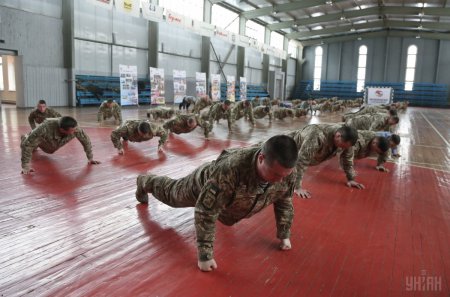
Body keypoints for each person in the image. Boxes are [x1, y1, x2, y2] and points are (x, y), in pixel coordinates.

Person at [135, 135, 299, 272]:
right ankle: (145, 180)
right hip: (203, 183)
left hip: (230, 198)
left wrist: (284, 233)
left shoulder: (286, 172)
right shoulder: (230, 170)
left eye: (285, 175)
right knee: (172, 195)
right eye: (276, 174)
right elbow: (206, 211)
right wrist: (205, 255)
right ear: (261, 159)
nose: (281, 180)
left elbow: (284, 199)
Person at [286, 124, 364, 199]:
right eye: (342, 146)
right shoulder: (316, 135)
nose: (343, 148)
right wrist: (296, 187)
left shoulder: (347, 141)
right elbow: (302, 161)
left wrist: (351, 179)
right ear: (338, 136)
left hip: (303, 151)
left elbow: (347, 160)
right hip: (288, 146)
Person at [21, 116, 100, 174]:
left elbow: (85, 140)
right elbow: (27, 145)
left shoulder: (75, 128)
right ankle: (25, 137)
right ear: (62, 129)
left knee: (51, 150)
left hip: (54, 145)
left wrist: (90, 158)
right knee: (30, 143)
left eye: (75, 129)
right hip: (45, 140)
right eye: (72, 131)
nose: (75, 131)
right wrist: (26, 166)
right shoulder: (45, 127)